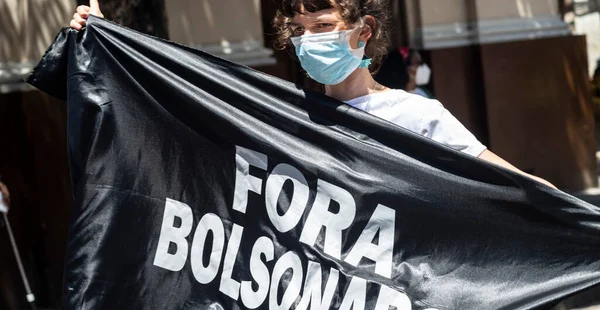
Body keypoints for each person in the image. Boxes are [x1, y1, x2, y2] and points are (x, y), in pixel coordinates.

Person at [70, 0, 555, 188]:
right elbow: (178, 121)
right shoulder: (283, 111)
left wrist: (571, 212)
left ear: (363, 32)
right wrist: (107, 44)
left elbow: (503, 177)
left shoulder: (413, 113)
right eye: (299, 29)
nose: (309, 38)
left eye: (323, 26)